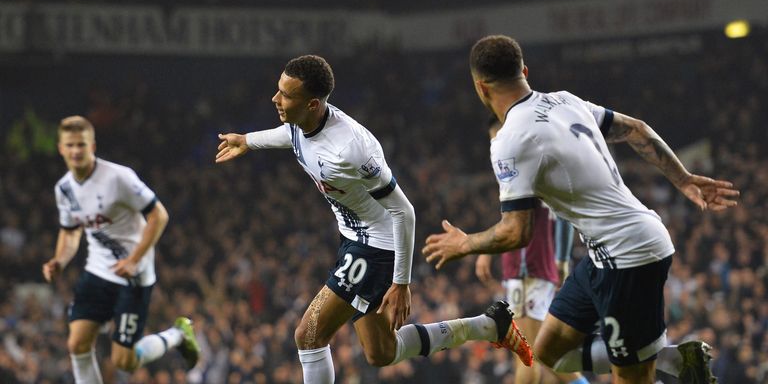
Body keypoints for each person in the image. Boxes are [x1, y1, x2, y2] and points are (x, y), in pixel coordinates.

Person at [423, 35, 739, 384]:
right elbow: (637, 129)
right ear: (524, 71)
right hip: (604, 255)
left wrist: (465, 244)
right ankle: (672, 358)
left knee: (632, 378)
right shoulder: (564, 101)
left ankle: (655, 361)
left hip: (630, 255)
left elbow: (517, 231)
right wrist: (682, 178)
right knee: (548, 352)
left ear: (480, 87)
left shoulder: (509, 140)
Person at [215, 54, 533, 384]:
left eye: (286, 94)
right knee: (381, 352)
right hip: (353, 237)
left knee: (308, 335)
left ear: (312, 104)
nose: (275, 99)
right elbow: (293, 137)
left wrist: (401, 283)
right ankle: (489, 325)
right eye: (278, 90)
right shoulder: (302, 122)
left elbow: (403, 211)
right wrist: (248, 141)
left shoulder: (351, 149)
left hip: (375, 247)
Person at [43, 116, 201, 384]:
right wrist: (60, 260)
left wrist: (134, 259)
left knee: (123, 362)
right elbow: (71, 232)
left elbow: (158, 216)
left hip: (133, 275)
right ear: (60, 148)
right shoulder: (64, 189)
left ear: (92, 146)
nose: (75, 151)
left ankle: (178, 335)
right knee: (77, 344)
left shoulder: (118, 178)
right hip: (97, 271)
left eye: (81, 145)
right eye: (70, 145)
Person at [476, 117, 587, 384]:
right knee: (539, 353)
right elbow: (558, 214)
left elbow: (527, 221)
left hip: (527, 267)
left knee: (526, 353)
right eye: (493, 139)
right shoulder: (540, 166)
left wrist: (484, 249)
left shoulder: (520, 169)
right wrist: (561, 259)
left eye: (498, 137)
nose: (496, 144)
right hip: (535, 268)